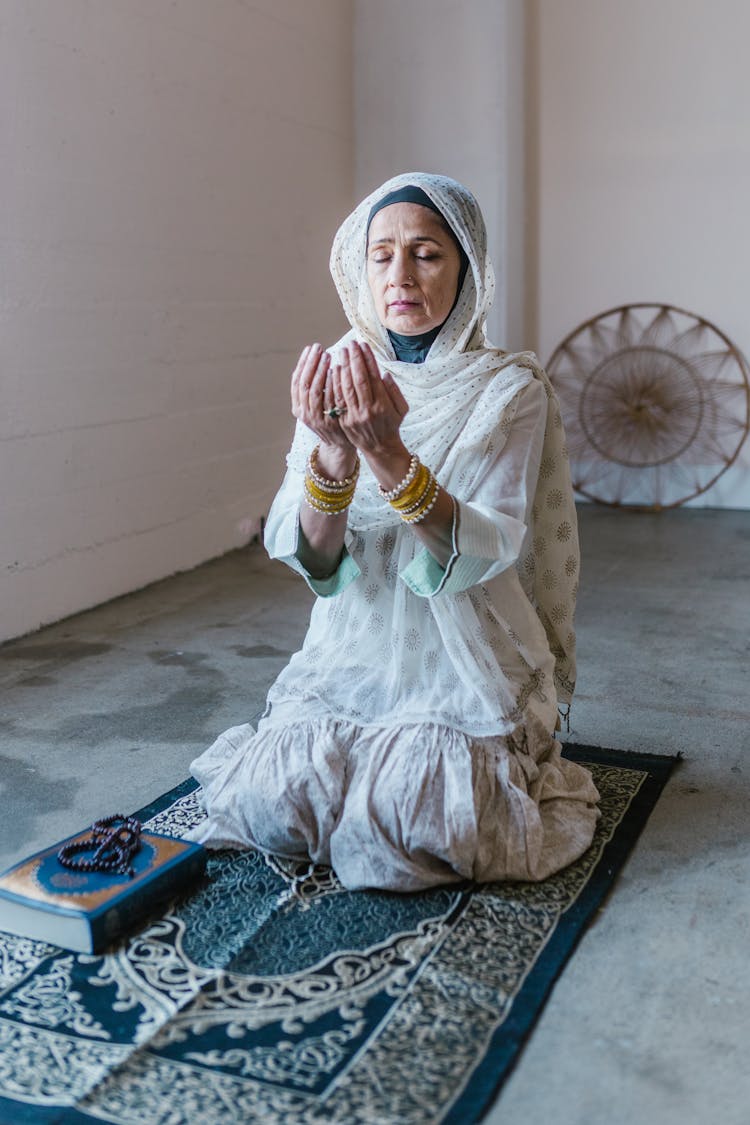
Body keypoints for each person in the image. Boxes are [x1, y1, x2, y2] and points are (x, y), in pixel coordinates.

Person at [188, 172, 600, 891]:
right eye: (381, 254)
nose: (399, 275)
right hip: (355, 650)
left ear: (467, 270)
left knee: (416, 826)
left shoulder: (511, 391)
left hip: (464, 656)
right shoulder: (339, 379)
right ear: (360, 266)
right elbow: (316, 559)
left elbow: (480, 549)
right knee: (275, 805)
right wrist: (336, 454)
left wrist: (386, 452)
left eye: (426, 253)